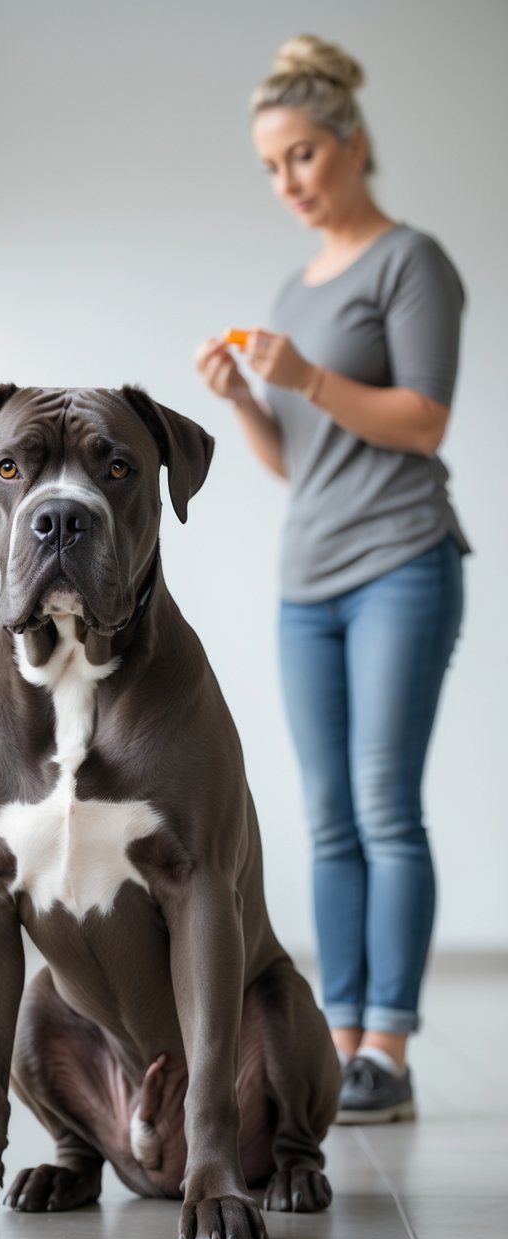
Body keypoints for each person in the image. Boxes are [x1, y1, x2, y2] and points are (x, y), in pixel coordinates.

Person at [195, 34, 469, 1123]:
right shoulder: (292, 286)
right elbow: (297, 460)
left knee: (385, 807)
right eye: (272, 167)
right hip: (307, 578)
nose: (289, 183)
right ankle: (342, 1032)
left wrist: (306, 373)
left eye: (303, 156)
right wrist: (246, 401)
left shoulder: (412, 263)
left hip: (401, 560)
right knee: (323, 816)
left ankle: (388, 1048)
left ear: (351, 143)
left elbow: (423, 418)